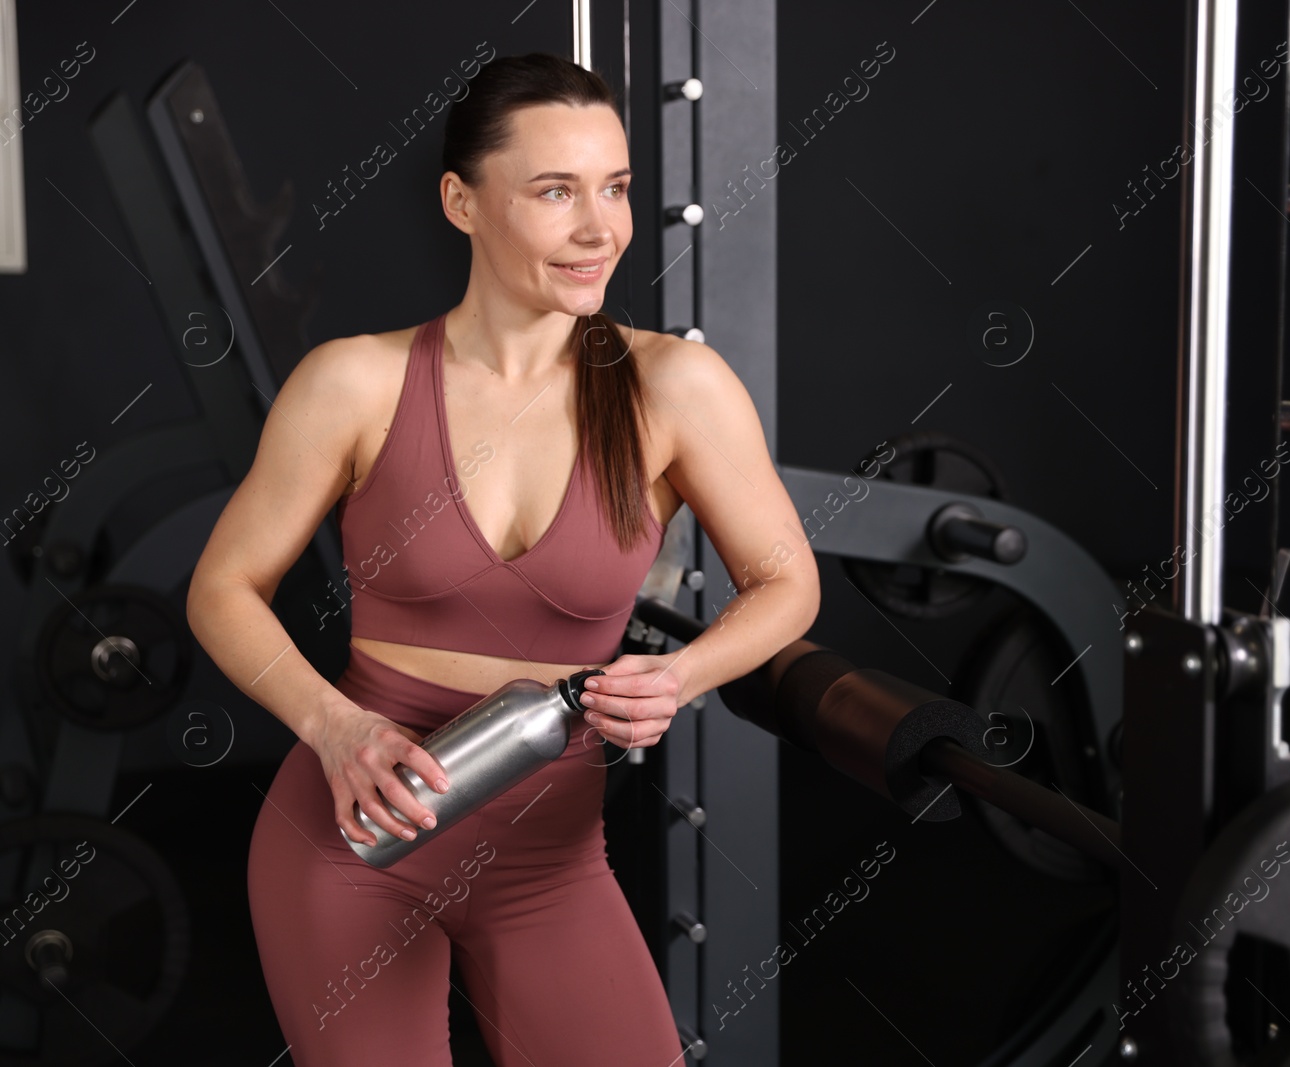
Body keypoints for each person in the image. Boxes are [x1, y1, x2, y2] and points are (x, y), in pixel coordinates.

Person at [187, 51, 819, 1066]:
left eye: (613, 187)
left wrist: (682, 674)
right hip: (352, 834)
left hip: (548, 859)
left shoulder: (676, 386)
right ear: (462, 201)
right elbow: (223, 586)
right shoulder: (356, 380)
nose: (598, 227)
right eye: (554, 191)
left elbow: (788, 580)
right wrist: (335, 727)